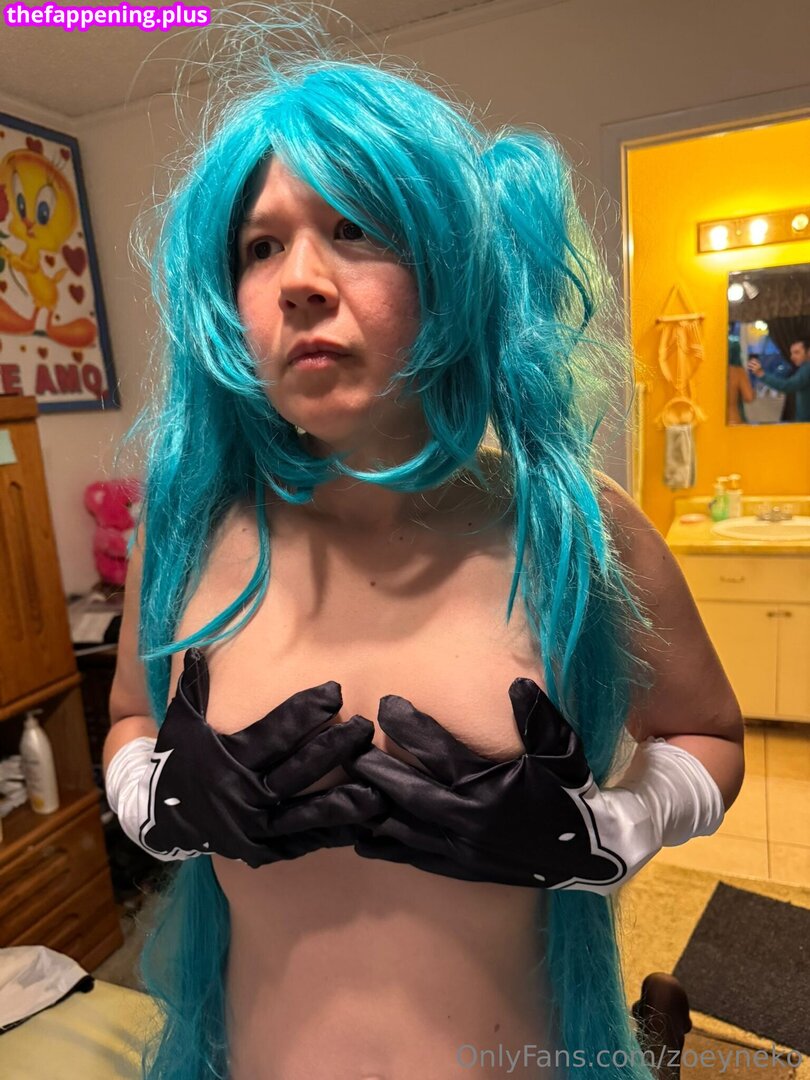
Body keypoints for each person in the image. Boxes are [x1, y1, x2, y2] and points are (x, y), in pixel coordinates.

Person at [102, 12, 744, 1079]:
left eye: (355, 229)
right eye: (261, 246)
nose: (300, 279)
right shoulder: (183, 535)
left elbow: (708, 734)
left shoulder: (577, 528)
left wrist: (617, 829)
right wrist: (153, 802)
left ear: (451, 267)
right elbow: (132, 715)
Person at [748, 338, 810, 422]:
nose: (792, 357)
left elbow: (788, 386)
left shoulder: (807, 368)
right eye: (792, 353)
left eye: (797, 352)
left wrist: (762, 375)